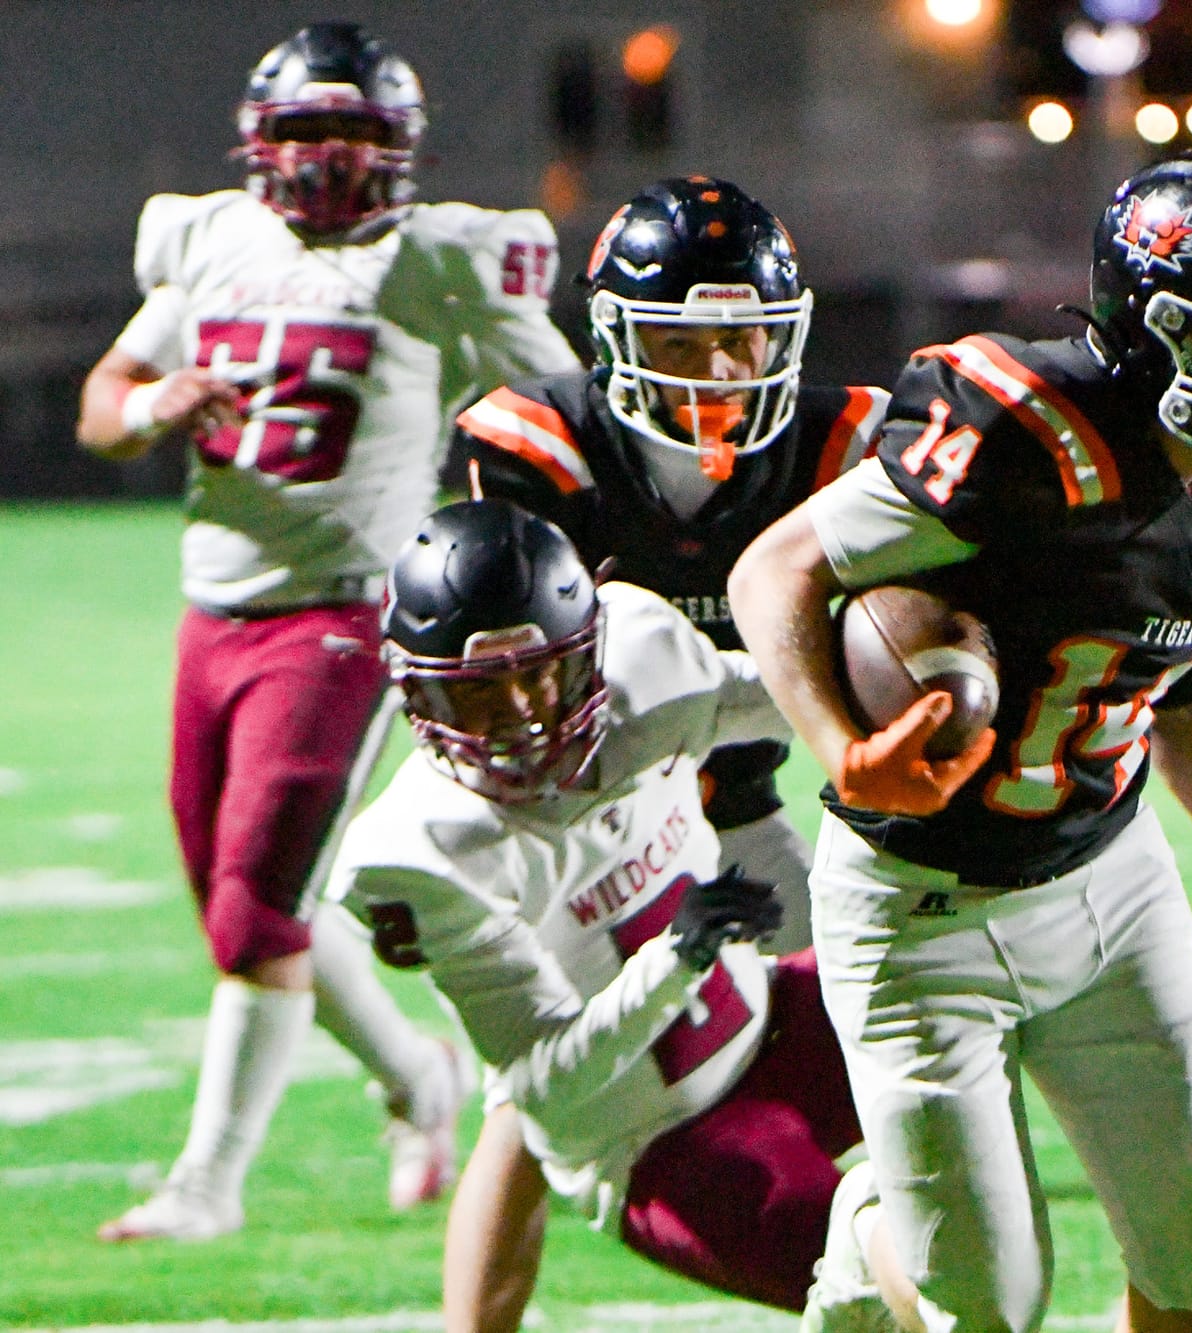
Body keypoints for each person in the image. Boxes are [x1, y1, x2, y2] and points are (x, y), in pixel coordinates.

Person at [729, 147, 1192, 1333]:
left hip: (1107, 885)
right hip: (918, 911)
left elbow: (1168, 683)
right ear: (1158, 336)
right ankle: (865, 1240)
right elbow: (775, 567)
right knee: (985, 1304)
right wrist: (840, 744)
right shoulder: (1019, 433)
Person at [75, 22, 581, 1242]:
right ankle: (418, 1075)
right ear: (261, 140)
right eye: (307, 130)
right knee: (243, 906)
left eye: (355, 133)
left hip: (347, 617)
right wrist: (153, 404)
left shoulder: (435, 260)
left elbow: (559, 400)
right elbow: (103, 407)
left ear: (399, 148)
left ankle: (208, 1184)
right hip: (215, 608)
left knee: (258, 912)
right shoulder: (211, 240)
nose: (329, 159)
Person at [325, 498, 869, 1330]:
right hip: (658, 1140)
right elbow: (545, 1097)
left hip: (771, 1025)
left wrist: (905, 669)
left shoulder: (642, 659)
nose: (519, 711)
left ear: (585, 650)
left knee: (997, 978)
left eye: (537, 669)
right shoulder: (423, 848)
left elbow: (772, 690)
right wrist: (674, 961)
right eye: (479, 691)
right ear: (419, 692)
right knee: (893, 1282)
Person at [452, 176, 887, 956]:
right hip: (580, 830)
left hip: (739, 813)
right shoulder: (542, 442)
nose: (714, 373)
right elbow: (542, 699)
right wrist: (812, 683)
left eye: (737, 340)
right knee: (597, 1050)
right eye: (679, 343)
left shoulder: (845, 445)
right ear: (616, 337)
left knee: (832, 1021)